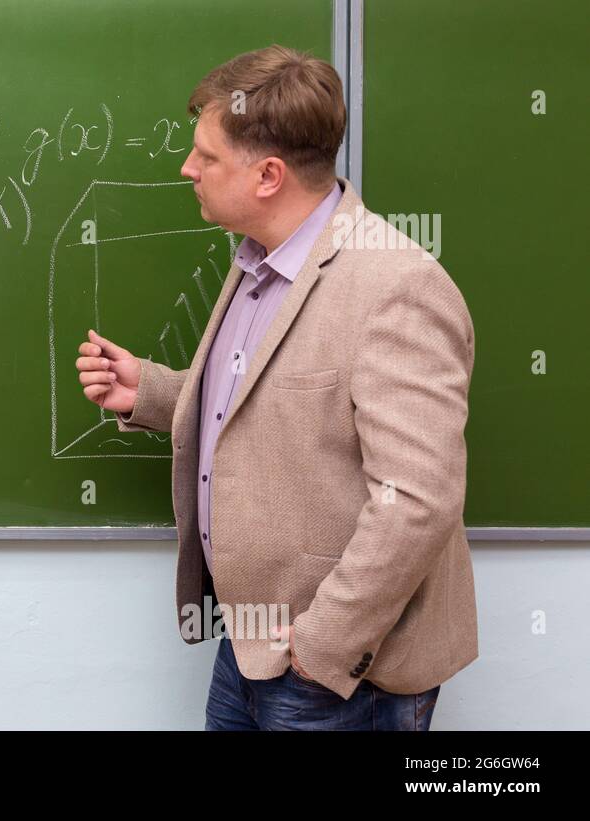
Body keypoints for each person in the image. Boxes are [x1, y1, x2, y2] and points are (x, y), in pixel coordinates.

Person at [76, 45, 477, 730]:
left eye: (205, 157)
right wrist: (153, 391)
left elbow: (417, 498)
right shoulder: (257, 260)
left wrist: (322, 644)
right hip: (249, 643)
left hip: (342, 669)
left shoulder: (395, 286)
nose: (187, 169)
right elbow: (273, 410)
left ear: (268, 175)